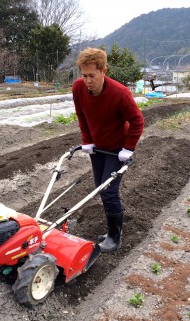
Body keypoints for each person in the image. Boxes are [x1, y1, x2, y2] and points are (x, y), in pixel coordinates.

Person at [72, 47, 144, 253]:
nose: (87, 81)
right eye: (84, 76)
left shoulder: (119, 93)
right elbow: (82, 116)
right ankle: (114, 229)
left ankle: (114, 236)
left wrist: (128, 149)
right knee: (100, 188)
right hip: (98, 148)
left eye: (92, 76)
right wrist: (87, 141)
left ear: (104, 71)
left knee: (108, 190)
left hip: (117, 149)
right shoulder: (78, 88)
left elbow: (137, 121)